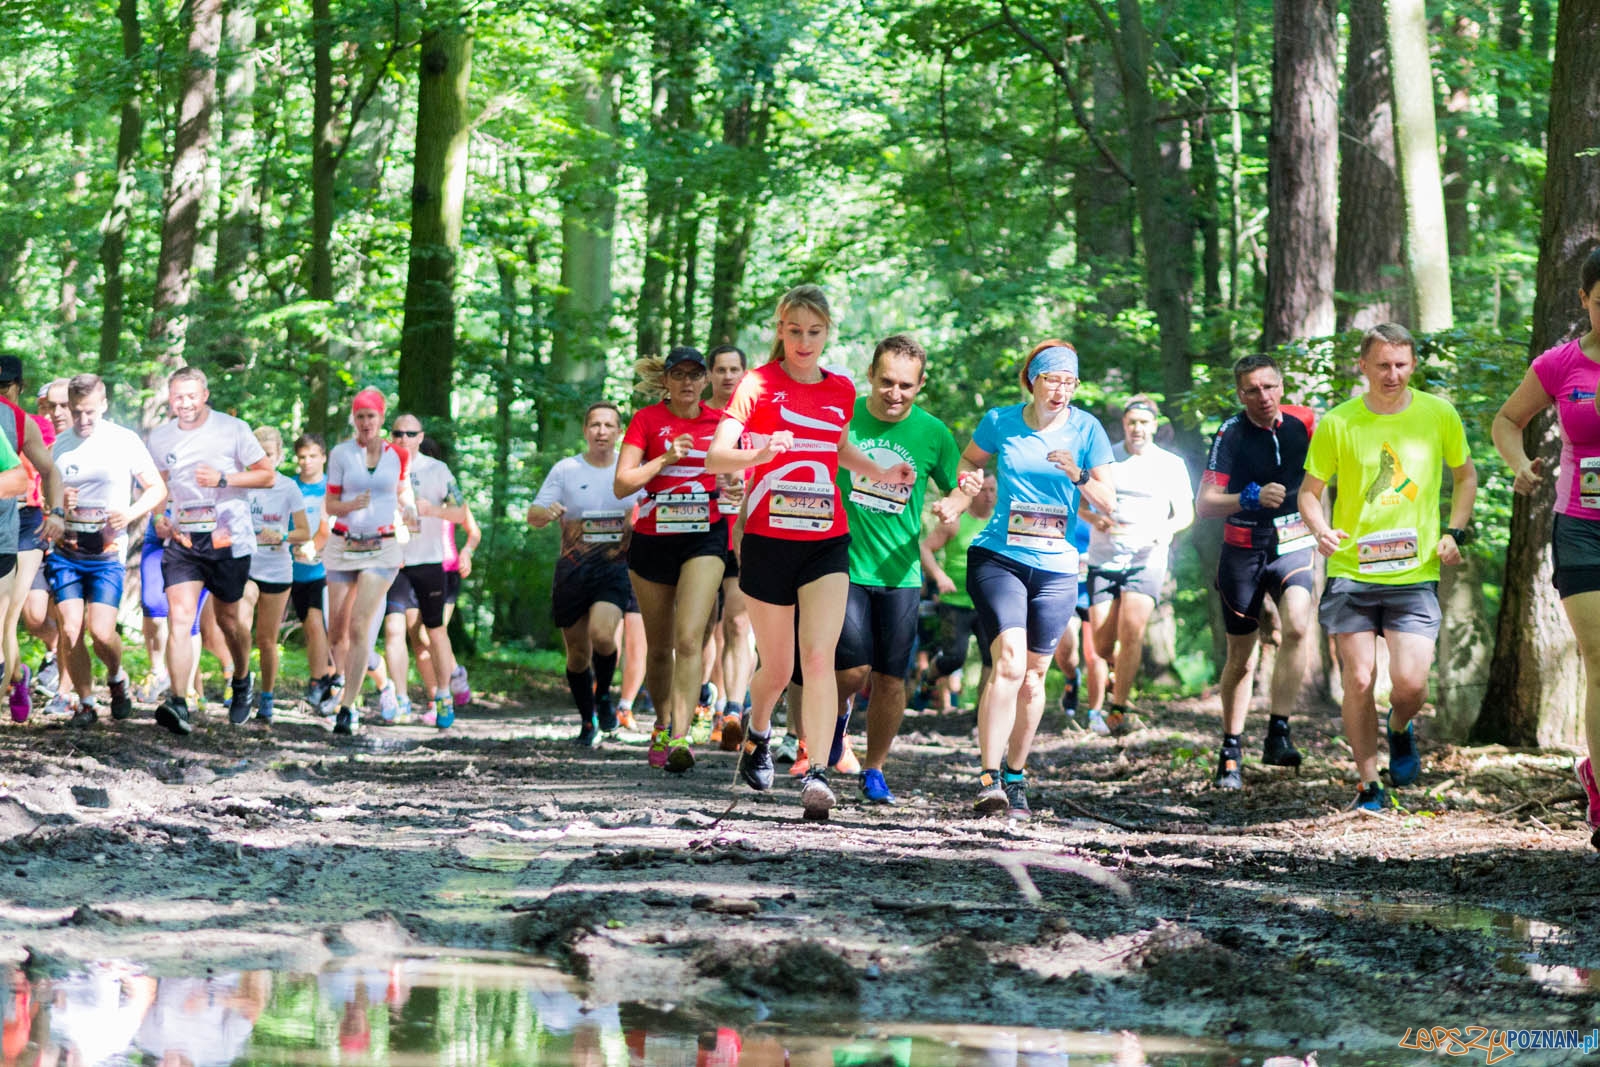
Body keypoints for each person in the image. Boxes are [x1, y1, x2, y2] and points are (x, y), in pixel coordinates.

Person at [706, 284, 914, 819]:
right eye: (794, 330)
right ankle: (757, 732)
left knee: (819, 658)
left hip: (826, 539)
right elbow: (715, 457)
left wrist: (880, 471)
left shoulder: (841, 388)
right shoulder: (756, 384)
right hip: (769, 540)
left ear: (827, 334)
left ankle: (817, 772)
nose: (804, 341)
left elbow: (839, 446)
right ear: (780, 329)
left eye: (814, 332)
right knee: (777, 666)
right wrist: (761, 449)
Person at [931, 340, 1114, 818]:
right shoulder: (1000, 422)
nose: (1061, 391)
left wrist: (1078, 475)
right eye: (1052, 379)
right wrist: (966, 482)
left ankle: (1015, 773)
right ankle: (989, 778)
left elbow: (1108, 502)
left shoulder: (1087, 429)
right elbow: (969, 461)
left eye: (1070, 382)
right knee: (1009, 662)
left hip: (1056, 566)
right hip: (999, 557)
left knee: (1034, 678)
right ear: (1032, 379)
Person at [1299, 323, 1476, 812]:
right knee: (1357, 680)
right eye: (1382, 365)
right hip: (1352, 571)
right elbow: (1309, 493)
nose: (1392, 374)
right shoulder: (1339, 422)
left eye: (1400, 364)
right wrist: (1320, 531)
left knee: (1411, 684)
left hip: (1415, 572)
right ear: (1364, 366)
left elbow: (1465, 478)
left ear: (1413, 364)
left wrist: (1453, 532)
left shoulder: (1438, 414)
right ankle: (1368, 783)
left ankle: (1400, 727)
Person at [820, 333, 961, 805]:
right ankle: (833, 734)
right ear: (870, 377)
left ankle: (875, 770)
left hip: (900, 573)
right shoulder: (844, 417)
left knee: (890, 678)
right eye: (886, 382)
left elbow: (961, 486)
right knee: (851, 672)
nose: (894, 393)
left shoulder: (933, 433)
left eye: (905, 385)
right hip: (842, 563)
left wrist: (952, 507)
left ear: (921, 384)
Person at [1495, 250, 1600, 844]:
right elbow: (1507, 421)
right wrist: (1520, 464)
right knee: (1599, 661)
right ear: (1584, 299)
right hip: (1582, 524)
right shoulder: (1562, 364)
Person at [1195, 355, 1316, 789]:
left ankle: (1279, 732)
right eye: (1252, 390)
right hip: (1242, 550)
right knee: (1241, 659)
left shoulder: (1307, 422)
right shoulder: (1230, 433)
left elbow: (1330, 476)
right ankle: (1230, 747)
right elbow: (1205, 503)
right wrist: (1247, 498)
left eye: (1269, 387)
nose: (1262, 397)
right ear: (1240, 394)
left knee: (1299, 626)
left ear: (1281, 387)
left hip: (1294, 543)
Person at [615, 347, 729, 773]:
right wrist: (664, 458)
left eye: (694, 374)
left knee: (689, 638)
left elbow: (746, 472)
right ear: (665, 381)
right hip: (653, 539)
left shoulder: (721, 424)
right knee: (660, 648)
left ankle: (681, 736)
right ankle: (662, 724)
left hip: (705, 536)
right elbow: (622, 484)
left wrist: (737, 488)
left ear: (705, 381)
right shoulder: (647, 421)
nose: (686, 382)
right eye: (677, 374)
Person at [148, 367, 276, 734]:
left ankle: (241, 678)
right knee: (180, 617)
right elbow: (157, 483)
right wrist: (160, 515)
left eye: (191, 396)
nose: (184, 404)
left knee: (228, 621)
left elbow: (266, 475)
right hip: (184, 539)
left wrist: (224, 479)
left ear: (204, 395)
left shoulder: (231, 429)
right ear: (169, 399)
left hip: (227, 537)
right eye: (177, 397)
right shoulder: (160, 438)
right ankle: (178, 700)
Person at [46, 373, 165, 726]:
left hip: (107, 553)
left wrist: (128, 513)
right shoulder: (60, 444)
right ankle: (85, 702)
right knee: (69, 629)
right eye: (78, 411)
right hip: (67, 550)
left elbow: (157, 489)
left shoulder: (123, 441)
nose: (84, 420)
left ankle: (116, 678)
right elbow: (46, 498)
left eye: (91, 413)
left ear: (104, 406)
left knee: (101, 632)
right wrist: (59, 500)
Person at [528, 401, 643, 746]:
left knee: (603, 635)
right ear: (585, 431)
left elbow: (653, 506)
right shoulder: (566, 470)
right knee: (577, 655)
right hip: (573, 570)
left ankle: (604, 696)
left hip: (615, 569)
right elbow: (533, 515)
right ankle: (587, 720)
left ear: (619, 431)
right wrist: (547, 512)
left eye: (609, 425)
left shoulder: (631, 468)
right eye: (595, 425)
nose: (602, 432)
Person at [1078, 396, 1195, 731]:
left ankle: (1118, 710)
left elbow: (1185, 514)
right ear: (1124, 425)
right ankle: (1120, 670)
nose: (1138, 429)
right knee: (1101, 645)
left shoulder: (1171, 464)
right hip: (1105, 557)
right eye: (1132, 423)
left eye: (1144, 423)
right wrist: (1092, 519)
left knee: (1132, 632)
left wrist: (1167, 530)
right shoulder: (1104, 459)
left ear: (1155, 426)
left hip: (1147, 558)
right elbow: (1077, 502)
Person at [323, 387, 415, 736]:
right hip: (344, 544)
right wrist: (350, 505)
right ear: (354, 418)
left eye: (371, 416)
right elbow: (331, 506)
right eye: (360, 416)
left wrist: (410, 511)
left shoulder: (398, 455)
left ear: (381, 417)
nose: (365, 422)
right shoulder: (341, 454)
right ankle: (358, 683)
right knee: (337, 632)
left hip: (382, 547)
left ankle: (348, 707)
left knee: (361, 626)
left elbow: (404, 491)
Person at [380, 414, 469, 728]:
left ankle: (443, 696)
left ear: (420, 437)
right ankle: (401, 698)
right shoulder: (380, 467)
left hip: (430, 562)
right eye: (397, 433)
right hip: (395, 562)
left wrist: (434, 510)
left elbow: (460, 512)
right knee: (394, 630)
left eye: (410, 433)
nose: (403, 438)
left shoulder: (437, 470)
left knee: (434, 632)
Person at [0, 358, 63, 721]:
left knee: (10, 618)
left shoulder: (27, 423)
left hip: (24, 524)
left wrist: (56, 513)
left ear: (18, 388)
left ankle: (15, 679)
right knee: (6, 619)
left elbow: (50, 471)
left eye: (5, 387)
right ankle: (17, 675)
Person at [241, 427, 310, 723]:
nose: (264, 460)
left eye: (269, 454)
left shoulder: (288, 488)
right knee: (239, 624)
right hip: (246, 567)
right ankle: (240, 682)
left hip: (278, 570)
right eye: (259, 455)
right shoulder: (242, 484)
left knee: (266, 639)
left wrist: (281, 535)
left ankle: (266, 697)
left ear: (279, 455)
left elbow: (304, 532)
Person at [704, 343, 754, 749]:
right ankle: (697, 703)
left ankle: (732, 710)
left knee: (738, 622)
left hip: (745, 534)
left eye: (734, 369)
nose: (727, 376)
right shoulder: (697, 419)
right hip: (698, 536)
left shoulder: (758, 420)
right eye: (719, 369)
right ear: (709, 375)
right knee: (700, 629)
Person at [919, 473, 998, 712]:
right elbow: (925, 548)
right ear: (973, 493)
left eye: (993, 490)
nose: (988, 496)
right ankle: (929, 678)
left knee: (991, 658)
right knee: (955, 657)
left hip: (988, 602)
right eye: (983, 490)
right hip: (955, 600)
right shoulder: (955, 521)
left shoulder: (1001, 522)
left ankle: (982, 716)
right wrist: (940, 577)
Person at [290, 433, 336, 711]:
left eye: (312, 456)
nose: (307, 462)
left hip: (326, 569)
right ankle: (325, 678)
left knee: (320, 624)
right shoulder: (290, 487)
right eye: (302, 457)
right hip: (295, 569)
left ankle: (320, 682)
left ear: (323, 457)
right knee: (309, 625)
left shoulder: (332, 489)